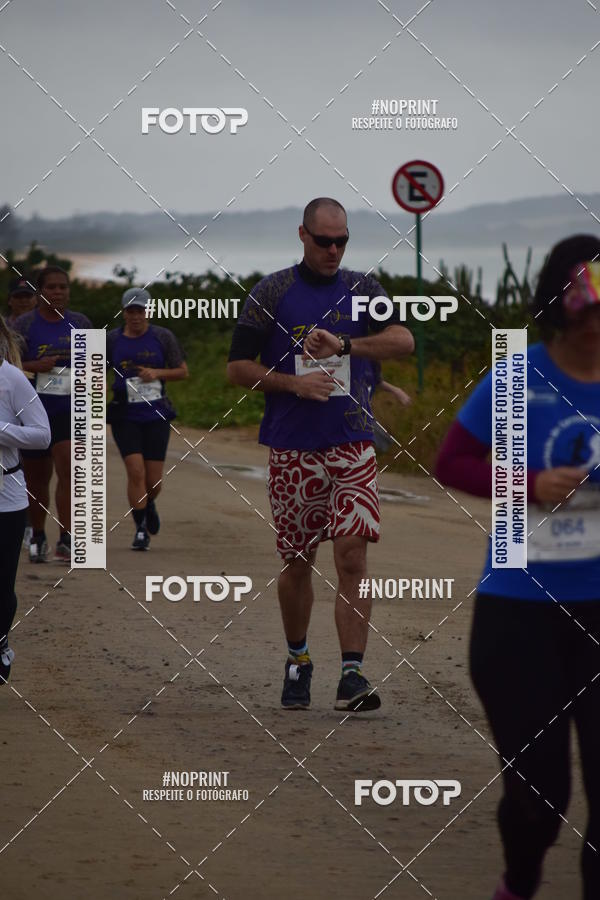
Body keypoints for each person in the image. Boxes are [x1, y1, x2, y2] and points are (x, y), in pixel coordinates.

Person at [435, 234, 600, 900]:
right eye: (584, 306)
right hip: (519, 611)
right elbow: (451, 462)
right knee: (541, 799)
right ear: (557, 305)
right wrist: (528, 484)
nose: (595, 323)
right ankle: (519, 881)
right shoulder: (517, 377)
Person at [227, 197, 414, 712]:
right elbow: (237, 367)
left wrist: (348, 346)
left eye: (342, 241)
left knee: (353, 555)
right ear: (303, 235)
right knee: (297, 561)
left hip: (353, 443)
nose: (334, 250)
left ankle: (352, 674)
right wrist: (293, 384)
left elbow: (402, 340)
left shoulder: (365, 289)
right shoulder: (271, 291)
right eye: (325, 241)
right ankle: (298, 659)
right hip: (293, 447)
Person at [13, 267, 92, 563]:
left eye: (63, 287)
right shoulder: (25, 324)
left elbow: (95, 366)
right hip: (33, 411)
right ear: (40, 292)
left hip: (69, 411)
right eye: (52, 287)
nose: (58, 292)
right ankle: (37, 534)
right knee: (37, 480)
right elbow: (10, 367)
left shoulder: (80, 323)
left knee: (69, 470)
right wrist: (35, 366)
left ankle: (66, 537)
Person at [107, 288, 188, 551]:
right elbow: (94, 371)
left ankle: (148, 502)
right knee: (135, 471)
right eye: (131, 311)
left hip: (156, 413)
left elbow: (182, 371)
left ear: (148, 312)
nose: (136, 316)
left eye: (140, 311)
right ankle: (140, 529)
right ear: (124, 313)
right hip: (124, 414)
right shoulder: (112, 340)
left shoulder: (163, 337)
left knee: (153, 481)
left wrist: (157, 373)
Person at [0, 315, 50, 684]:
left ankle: (0, 641)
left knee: (2, 586)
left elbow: (41, 435)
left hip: (6, 498)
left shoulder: (12, 379)